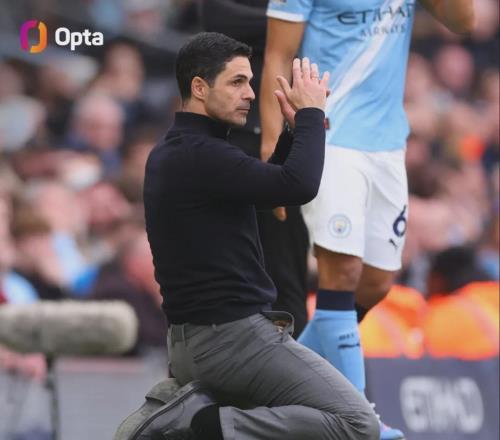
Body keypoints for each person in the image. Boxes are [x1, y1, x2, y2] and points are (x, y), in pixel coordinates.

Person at [136, 32, 379, 439]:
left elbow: (270, 192)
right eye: (237, 82)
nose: (250, 93)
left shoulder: (180, 150)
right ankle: (199, 424)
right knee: (357, 424)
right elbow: (297, 186)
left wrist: (292, 131)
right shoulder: (203, 154)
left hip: (194, 344)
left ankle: (203, 422)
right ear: (199, 87)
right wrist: (312, 116)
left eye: (250, 81)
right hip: (232, 340)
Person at [260, 1, 475, 439]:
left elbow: (463, 21)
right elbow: (277, 56)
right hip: (328, 134)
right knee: (342, 273)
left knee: (376, 281)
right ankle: (358, 420)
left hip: (387, 142)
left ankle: (275, 383)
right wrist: (271, 148)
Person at [199, 0, 311, 337]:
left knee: (288, 267)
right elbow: (216, 19)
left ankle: (295, 355)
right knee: (233, 262)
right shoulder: (307, 16)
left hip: (294, 134)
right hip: (239, 138)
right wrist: (295, 24)